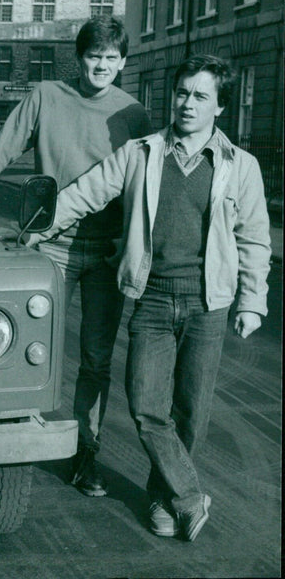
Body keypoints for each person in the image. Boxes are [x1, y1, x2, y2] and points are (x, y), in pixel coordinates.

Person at [24, 54, 271, 540]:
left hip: (207, 304)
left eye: (201, 96)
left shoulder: (240, 166)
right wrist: (37, 226)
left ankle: (163, 498)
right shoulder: (142, 153)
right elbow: (85, 192)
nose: (187, 104)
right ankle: (188, 496)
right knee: (145, 405)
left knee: (190, 411)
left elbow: (255, 238)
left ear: (219, 106)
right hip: (153, 300)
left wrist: (252, 300)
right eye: (182, 93)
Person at [0, 16, 152, 497]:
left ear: (124, 63)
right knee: (23, 346)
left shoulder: (134, 114)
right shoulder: (46, 96)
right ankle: (5, 448)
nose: (102, 67)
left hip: (105, 254)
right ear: (79, 57)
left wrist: (130, 241)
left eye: (112, 59)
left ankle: (85, 451)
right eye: (94, 57)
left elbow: (143, 188)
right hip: (51, 248)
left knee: (95, 359)